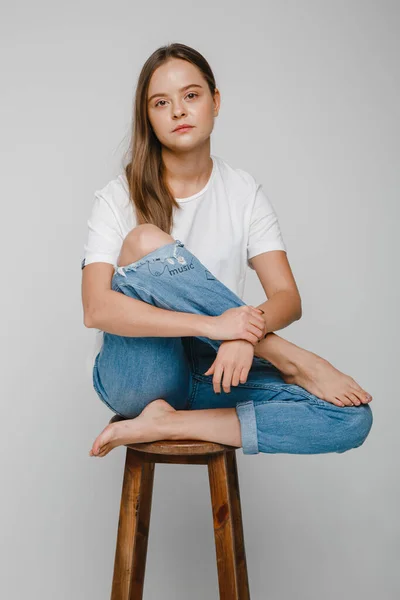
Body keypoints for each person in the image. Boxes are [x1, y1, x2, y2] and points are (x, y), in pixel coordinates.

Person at [81, 43, 373, 458]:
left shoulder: (242, 192)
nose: (179, 111)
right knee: (145, 240)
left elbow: (287, 298)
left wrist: (242, 337)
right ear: (149, 117)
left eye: (191, 95)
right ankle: (291, 357)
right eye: (161, 102)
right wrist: (223, 328)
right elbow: (96, 309)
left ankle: (167, 422)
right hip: (140, 374)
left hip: (217, 371)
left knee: (352, 418)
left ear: (215, 102)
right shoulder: (117, 197)